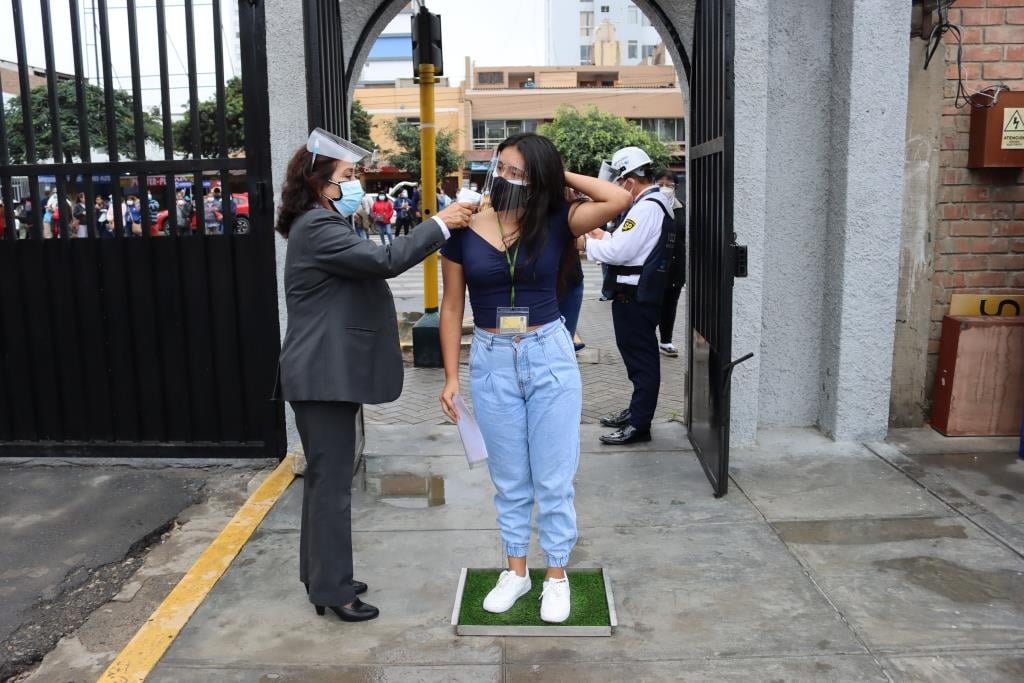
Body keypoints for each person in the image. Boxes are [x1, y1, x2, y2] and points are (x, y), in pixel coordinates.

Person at [274, 127, 473, 624]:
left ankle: (323, 577)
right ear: (322, 184)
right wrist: (442, 223)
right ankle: (335, 589)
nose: (357, 183)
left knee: (326, 481)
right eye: (348, 176)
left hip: (325, 375)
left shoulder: (319, 223)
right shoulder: (318, 227)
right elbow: (386, 260)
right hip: (321, 377)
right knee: (332, 483)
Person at [438, 132, 631, 623]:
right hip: (490, 357)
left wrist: (551, 174)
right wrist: (450, 378)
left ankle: (557, 575)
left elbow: (618, 198)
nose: (506, 178)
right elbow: (452, 305)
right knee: (509, 479)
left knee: (554, 476)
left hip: (549, 353)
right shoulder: (463, 228)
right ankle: (517, 571)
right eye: (501, 167)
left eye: (519, 172)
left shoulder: (558, 221)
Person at [586, 147, 676, 445]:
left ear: (629, 180)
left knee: (642, 361)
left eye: (619, 179)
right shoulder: (650, 204)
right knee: (638, 359)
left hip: (634, 296)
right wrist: (603, 236)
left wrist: (587, 242)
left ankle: (640, 425)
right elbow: (628, 245)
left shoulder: (646, 207)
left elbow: (618, 252)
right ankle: (637, 412)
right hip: (636, 294)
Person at [653, 170, 685, 357]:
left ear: (676, 188)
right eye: (660, 183)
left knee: (670, 305)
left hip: (676, 266)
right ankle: (649, 339)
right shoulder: (650, 206)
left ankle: (666, 341)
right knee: (652, 305)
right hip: (655, 265)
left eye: (669, 184)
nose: (664, 187)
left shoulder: (683, 208)